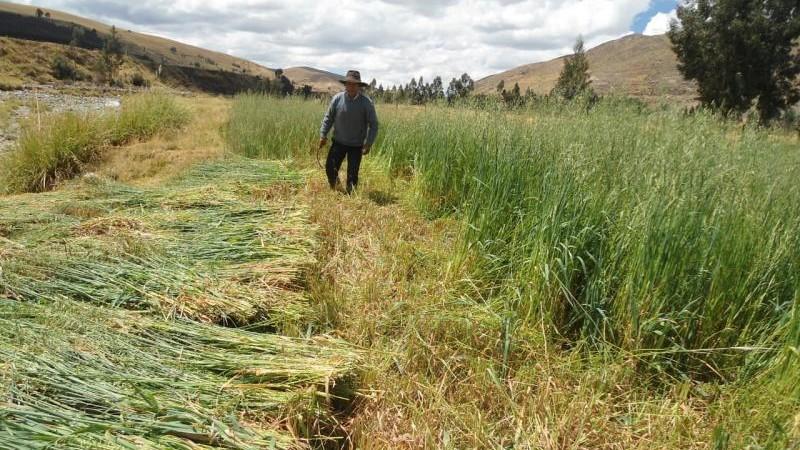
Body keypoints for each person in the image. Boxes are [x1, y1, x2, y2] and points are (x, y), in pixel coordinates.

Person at [319, 70, 379, 194]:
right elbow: (328, 117)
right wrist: (323, 134)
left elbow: (374, 124)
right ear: (345, 84)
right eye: (349, 83)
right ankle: (337, 189)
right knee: (330, 168)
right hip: (338, 142)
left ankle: (351, 196)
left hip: (356, 146)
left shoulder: (366, 103)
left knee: (352, 175)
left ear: (359, 86)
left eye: (354, 84)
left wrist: (368, 144)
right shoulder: (337, 99)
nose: (351, 87)